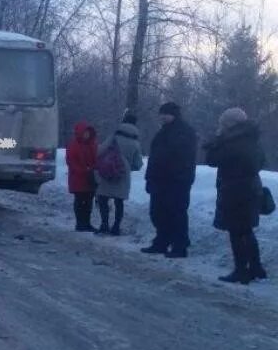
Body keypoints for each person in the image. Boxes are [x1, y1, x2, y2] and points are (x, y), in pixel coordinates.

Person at [205, 107, 266, 284]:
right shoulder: (252, 139)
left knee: (236, 231)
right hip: (250, 188)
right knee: (246, 230)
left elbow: (212, 160)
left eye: (223, 123)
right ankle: (256, 267)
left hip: (235, 190)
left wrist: (216, 140)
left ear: (230, 124)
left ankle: (241, 270)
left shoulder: (232, 141)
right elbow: (260, 161)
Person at [142, 101, 199, 258]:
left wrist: (179, 176)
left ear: (173, 114)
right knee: (158, 213)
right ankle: (162, 241)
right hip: (160, 180)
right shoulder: (164, 132)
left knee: (176, 213)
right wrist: (150, 178)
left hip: (176, 181)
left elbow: (179, 157)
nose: (162, 117)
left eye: (165, 114)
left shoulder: (184, 132)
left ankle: (179, 246)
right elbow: (155, 157)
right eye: (161, 114)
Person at [95, 110, 144, 236]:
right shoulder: (136, 142)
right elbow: (138, 164)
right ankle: (116, 227)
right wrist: (127, 165)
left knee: (103, 198)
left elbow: (100, 151)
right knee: (119, 201)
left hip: (108, 169)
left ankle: (104, 224)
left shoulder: (114, 136)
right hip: (123, 173)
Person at [65, 121, 99, 232]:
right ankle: (80, 223)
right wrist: (84, 170)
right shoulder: (73, 145)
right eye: (85, 133)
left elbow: (96, 159)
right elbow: (71, 161)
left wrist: (93, 169)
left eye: (88, 133)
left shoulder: (92, 145)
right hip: (78, 178)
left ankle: (87, 223)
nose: (87, 135)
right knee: (80, 201)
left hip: (89, 178)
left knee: (88, 202)